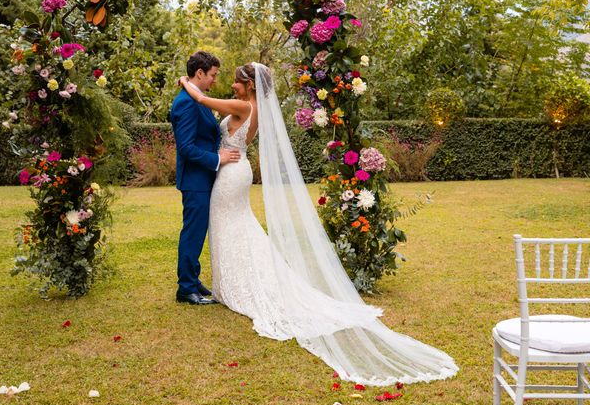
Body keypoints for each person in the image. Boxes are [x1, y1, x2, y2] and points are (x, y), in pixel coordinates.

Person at [178, 63, 459, 386]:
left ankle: (239, 285)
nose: (231, 85)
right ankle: (230, 283)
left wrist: (186, 81)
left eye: (237, 81)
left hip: (231, 174)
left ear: (250, 86)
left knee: (232, 226)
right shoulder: (253, 107)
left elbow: (201, 100)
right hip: (233, 171)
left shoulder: (244, 106)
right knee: (236, 227)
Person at [169, 51, 240, 305]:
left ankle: (193, 279)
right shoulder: (186, 103)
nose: (214, 80)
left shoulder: (195, 98)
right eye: (212, 75)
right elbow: (186, 147)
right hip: (195, 180)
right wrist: (217, 158)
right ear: (199, 73)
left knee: (198, 232)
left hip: (204, 179)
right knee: (193, 232)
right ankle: (185, 288)